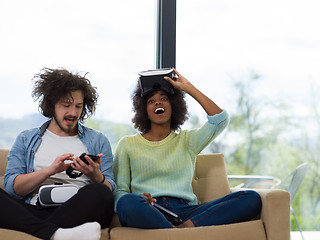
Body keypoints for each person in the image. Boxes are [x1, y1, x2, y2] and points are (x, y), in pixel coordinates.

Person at [114, 68, 262, 229]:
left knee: (251, 197)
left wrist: (187, 87)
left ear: (173, 106)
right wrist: (140, 198)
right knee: (126, 202)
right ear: (144, 110)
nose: (158, 102)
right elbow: (120, 192)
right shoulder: (127, 144)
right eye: (151, 101)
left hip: (186, 212)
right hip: (150, 209)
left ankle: (184, 229)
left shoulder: (188, 141)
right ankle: (178, 234)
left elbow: (220, 119)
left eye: (164, 98)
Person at [1, 68, 116, 240]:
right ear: (52, 104)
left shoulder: (98, 140)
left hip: (78, 211)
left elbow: (110, 193)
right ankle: (57, 233)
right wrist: (49, 171)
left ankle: (45, 232)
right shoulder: (26, 139)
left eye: (78, 106)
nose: (73, 113)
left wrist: (96, 175)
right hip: (33, 210)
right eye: (66, 105)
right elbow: (12, 189)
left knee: (101, 192)